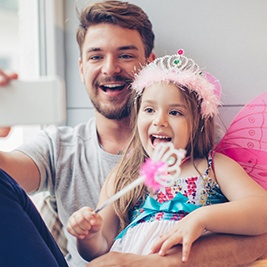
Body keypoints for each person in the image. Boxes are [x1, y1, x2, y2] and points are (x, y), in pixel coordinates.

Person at [1, 1, 267, 266]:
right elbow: (97, 245)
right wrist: (88, 232)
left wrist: (193, 229)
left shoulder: (212, 162)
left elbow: (260, 219)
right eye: (96, 56)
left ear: (148, 64)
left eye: (125, 55)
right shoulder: (109, 167)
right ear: (81, 67)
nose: (109, 68)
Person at [66, 52, 267, 264]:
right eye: (150, 109)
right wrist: (88, 235)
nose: (159, 121)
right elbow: (99, 249)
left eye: (175, 112)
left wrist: (202, 218)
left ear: (197, 123)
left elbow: (261, 210)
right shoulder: (124, 175)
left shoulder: (213, 166)